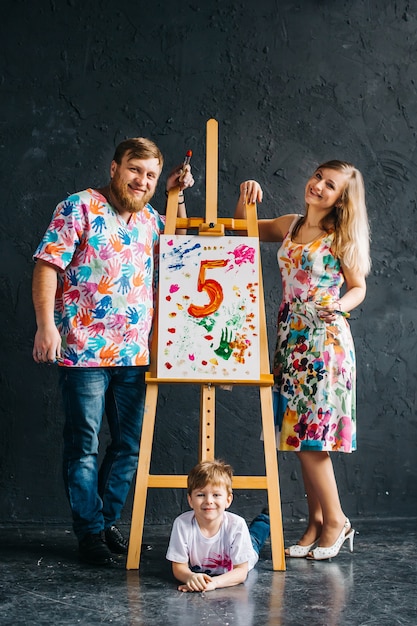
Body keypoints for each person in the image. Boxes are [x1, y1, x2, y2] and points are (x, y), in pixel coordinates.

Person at [32, 137, 194, 566]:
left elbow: (181, 250)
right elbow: (48, 264)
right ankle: (89, 535)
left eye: (151, 176)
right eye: (134, 170)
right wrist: (46, 326)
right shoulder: (78, 206)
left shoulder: (152, 219)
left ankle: (103, 523)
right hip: (82, 351)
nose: (141, 181)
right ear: (114, 168)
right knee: (83, 445)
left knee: (128, 447)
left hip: (135, 356)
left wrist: (177, 196)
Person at [235, 161, 371, 560]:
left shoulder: (340, 236)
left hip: (324, 343)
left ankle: (336, 521)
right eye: (317, 177)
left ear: (341, 198)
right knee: (297, 437)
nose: (319, 186)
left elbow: (358, 286)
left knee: (313, 439)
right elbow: (245, 231)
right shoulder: (290, 225)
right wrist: (248, 198)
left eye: (330, 185)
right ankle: (314, 522)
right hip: (290, 340)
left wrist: (341, 307)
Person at [166, 459, 270, 591]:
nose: (209, 501)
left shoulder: (237, 525)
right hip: (222, 556)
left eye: (216, 495)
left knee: (254, 538)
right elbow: (179, 567)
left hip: (238, 557)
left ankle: (265, 518)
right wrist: (190, 577)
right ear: (190, 500)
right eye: (200, 495)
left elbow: (241, 572)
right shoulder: (182, 524)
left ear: (228, 500)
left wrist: (214, 583)